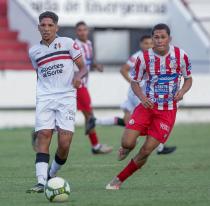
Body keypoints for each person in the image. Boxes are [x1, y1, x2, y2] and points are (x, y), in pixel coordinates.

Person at [106, 23, 193, 190]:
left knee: (146, 150)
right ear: (152, 38)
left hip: (167, 112)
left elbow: (188, 79)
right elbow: (135, 82)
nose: (159, 40)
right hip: (147, 107)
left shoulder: (181, 56)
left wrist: (182, 91)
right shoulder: (143, 58)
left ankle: (118, 180)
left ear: (169, 38)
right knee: (127, 142)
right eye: (156, 37)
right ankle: (126, 148)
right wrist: (142, 97)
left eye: (163, 37)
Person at [27, 11, 87, 193]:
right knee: (44, 134)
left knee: (64, 143)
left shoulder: (68, 43)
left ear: (56, 27)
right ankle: (40, 182)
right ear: (38, 28)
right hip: (44, 96)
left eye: (50, 25)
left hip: (67, 97)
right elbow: (40, 74)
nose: (46, 29)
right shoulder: (33, 51)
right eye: (43, 26)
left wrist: (78, 76)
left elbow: (84, 67)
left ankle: (52, 174)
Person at [93, 35, 177, 155]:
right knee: (148, 118)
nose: (148, 45)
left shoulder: (154, 56)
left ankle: (97, 121)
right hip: (138, 93)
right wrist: (133, 83)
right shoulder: (137, 56)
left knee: (129, 121)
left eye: (150, 43)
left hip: (142, 93)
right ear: (141, 44)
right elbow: (123, 70)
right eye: (146, 43)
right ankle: (155, 147)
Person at [74, 21, 112, 154]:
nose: (82, 32)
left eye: (84, 29)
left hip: (83, 85)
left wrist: (96, 66)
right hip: (78, 86)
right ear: (76, 32)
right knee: (90, 116)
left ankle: (95, 145)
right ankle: (96, 146)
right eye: (80, 30)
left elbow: (89, 61)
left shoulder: (88, 44)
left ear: (88, 31)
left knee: (86, 116)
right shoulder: (74, 46)